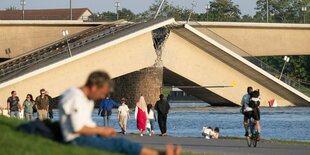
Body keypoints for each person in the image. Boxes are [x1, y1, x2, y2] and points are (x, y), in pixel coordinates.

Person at [59, 71, 181, 155]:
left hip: (86, 136)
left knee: (120, 143)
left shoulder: (86, 99)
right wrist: (102, 130)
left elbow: (86, 124)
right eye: (102, 92)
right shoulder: (75, 97)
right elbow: (77, 128)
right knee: (121, 144)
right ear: (94, 86)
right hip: (77, 140)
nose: (102, 96)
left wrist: (101, 131)